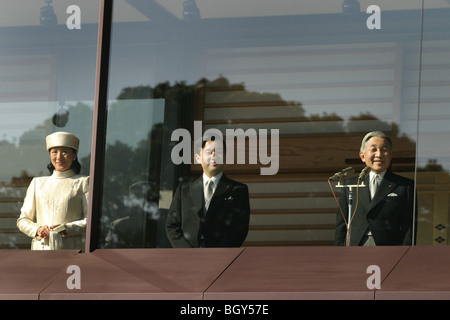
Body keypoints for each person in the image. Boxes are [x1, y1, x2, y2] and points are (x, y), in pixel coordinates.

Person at [166, 136, 250, 247]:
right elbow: (172, 225)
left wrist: (221, 253)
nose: (214, 156)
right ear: (198, 158)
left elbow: (240, 227)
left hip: (221, 255)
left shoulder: (238, 190)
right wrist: (185, 252)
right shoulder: (184, 190)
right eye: (209, 152)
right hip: (187, 254)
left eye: (218, 152)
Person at [334, 131, 416, 246]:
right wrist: (338, 252)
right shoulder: (350, 185)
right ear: (362, 156)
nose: (379, 154)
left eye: (384, 149)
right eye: (373, 150)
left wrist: (406, 253)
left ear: (390, 155)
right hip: (356, 246)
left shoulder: (404, 185)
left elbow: (409, 226)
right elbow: (341, 224)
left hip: (389, 248)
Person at [17, 131, 89, 250]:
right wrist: (37, 230)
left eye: (64, 152)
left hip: (71, 251)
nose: (59, 157)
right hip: (40, 251)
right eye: (54, 152)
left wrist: (66, 228)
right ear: (50, 154)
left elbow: (90, 221)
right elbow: (23, 220)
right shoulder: (37, 183)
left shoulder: (83, 182)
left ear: (74, 154)